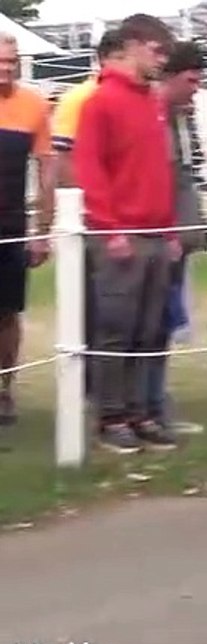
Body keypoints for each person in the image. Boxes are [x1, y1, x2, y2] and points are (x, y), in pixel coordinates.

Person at [73, 13, 179, 453]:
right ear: (134, 44)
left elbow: (159, 172)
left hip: (154, 233)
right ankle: (111, 416)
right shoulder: (100, 102)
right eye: (156, 51)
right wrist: (108, 228)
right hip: (121, 233)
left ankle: (139, 412)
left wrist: (172, 227)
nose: (161, 60)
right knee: (116, 328)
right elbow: (89, 169)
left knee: (149, 328)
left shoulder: (151, 102)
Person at [150, 41, 207, 436]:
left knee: (165, 322)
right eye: (190, 80)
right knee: (151, 323)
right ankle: (145, 408)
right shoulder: (156, 117)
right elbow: (161, 179)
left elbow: (188, 177)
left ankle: (154, 404)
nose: (195, 88)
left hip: (177, 236)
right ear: (171, 76)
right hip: (159, 235)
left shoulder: (182, 118)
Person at [0, 32, 54, 425]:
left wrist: (42, 228)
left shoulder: (33, 104)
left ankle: (3, 390)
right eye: (0, 60)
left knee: (7, 313)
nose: (7, 67)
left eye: (11, 60)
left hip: (11, 226)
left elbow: (47, 167)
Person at [51, 30, 124, 188]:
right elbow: (63, 157)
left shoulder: (141, 99)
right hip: (97, 199)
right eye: (120, 58)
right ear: (103, 59)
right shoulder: (78, 98)